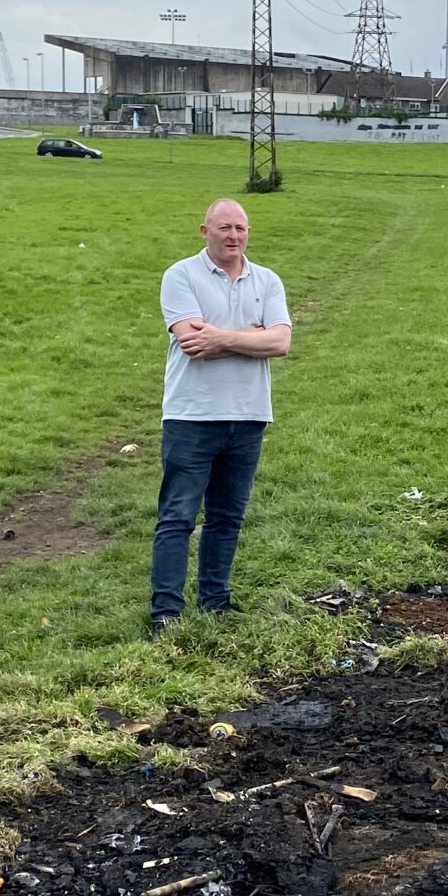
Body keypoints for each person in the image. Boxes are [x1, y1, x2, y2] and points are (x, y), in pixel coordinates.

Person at [153, 199, 291, 633]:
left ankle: (215, 600)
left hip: (248, 415)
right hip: (191, 416)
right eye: (224, 228)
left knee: (227, 516)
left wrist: (223, 336)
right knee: (178, 515)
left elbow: (281, 343)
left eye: (241, 228)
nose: (233, 236)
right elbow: (191, 340)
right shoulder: (181, 275)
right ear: (204, 231)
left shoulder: (266, 280)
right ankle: (167, 611)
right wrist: (251, 335)